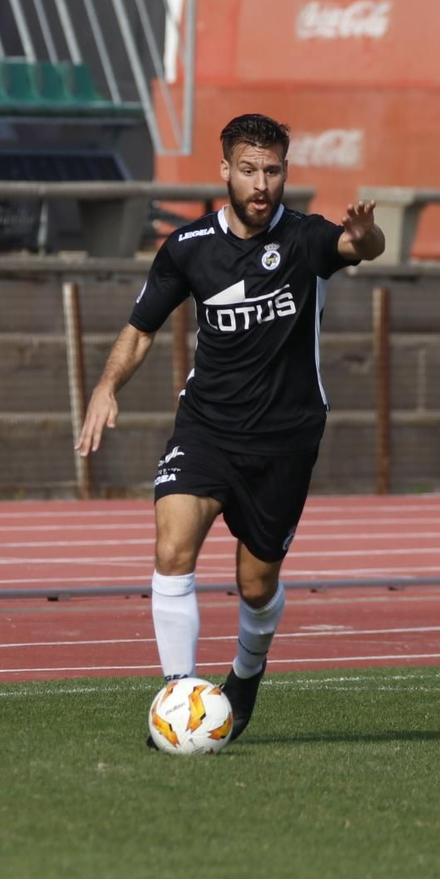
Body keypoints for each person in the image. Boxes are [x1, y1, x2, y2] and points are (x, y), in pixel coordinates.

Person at [74, 112, 385, 746]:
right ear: (226, 171)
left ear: (285, 172)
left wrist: (367, 233)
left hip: (286, 440)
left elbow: (360, 249)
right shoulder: (187, 249)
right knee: (171, 550)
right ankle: (179, 696)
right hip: (207, 428)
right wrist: (107, 386)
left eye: (272, 170)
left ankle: (246, 673)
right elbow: (140, 332)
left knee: (256, 583)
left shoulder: (305, 240)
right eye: (249, 169)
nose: (261, 182)